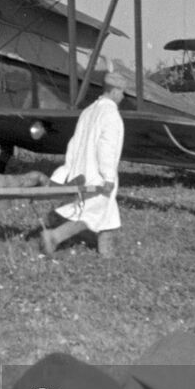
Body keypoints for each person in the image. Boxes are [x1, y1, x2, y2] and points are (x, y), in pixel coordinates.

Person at [38, 71, 127, 258]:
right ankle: (54, 235)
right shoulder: (111, 115)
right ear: (114, 91)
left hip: (82, 170)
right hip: (98, 173)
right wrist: (108, 176)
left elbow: (74, 142)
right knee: (92, 212)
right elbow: (107, 149)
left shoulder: (88, 111)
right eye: (122, 92)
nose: (123, 96)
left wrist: (69, 169)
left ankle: (106, 251)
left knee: (105, 209)